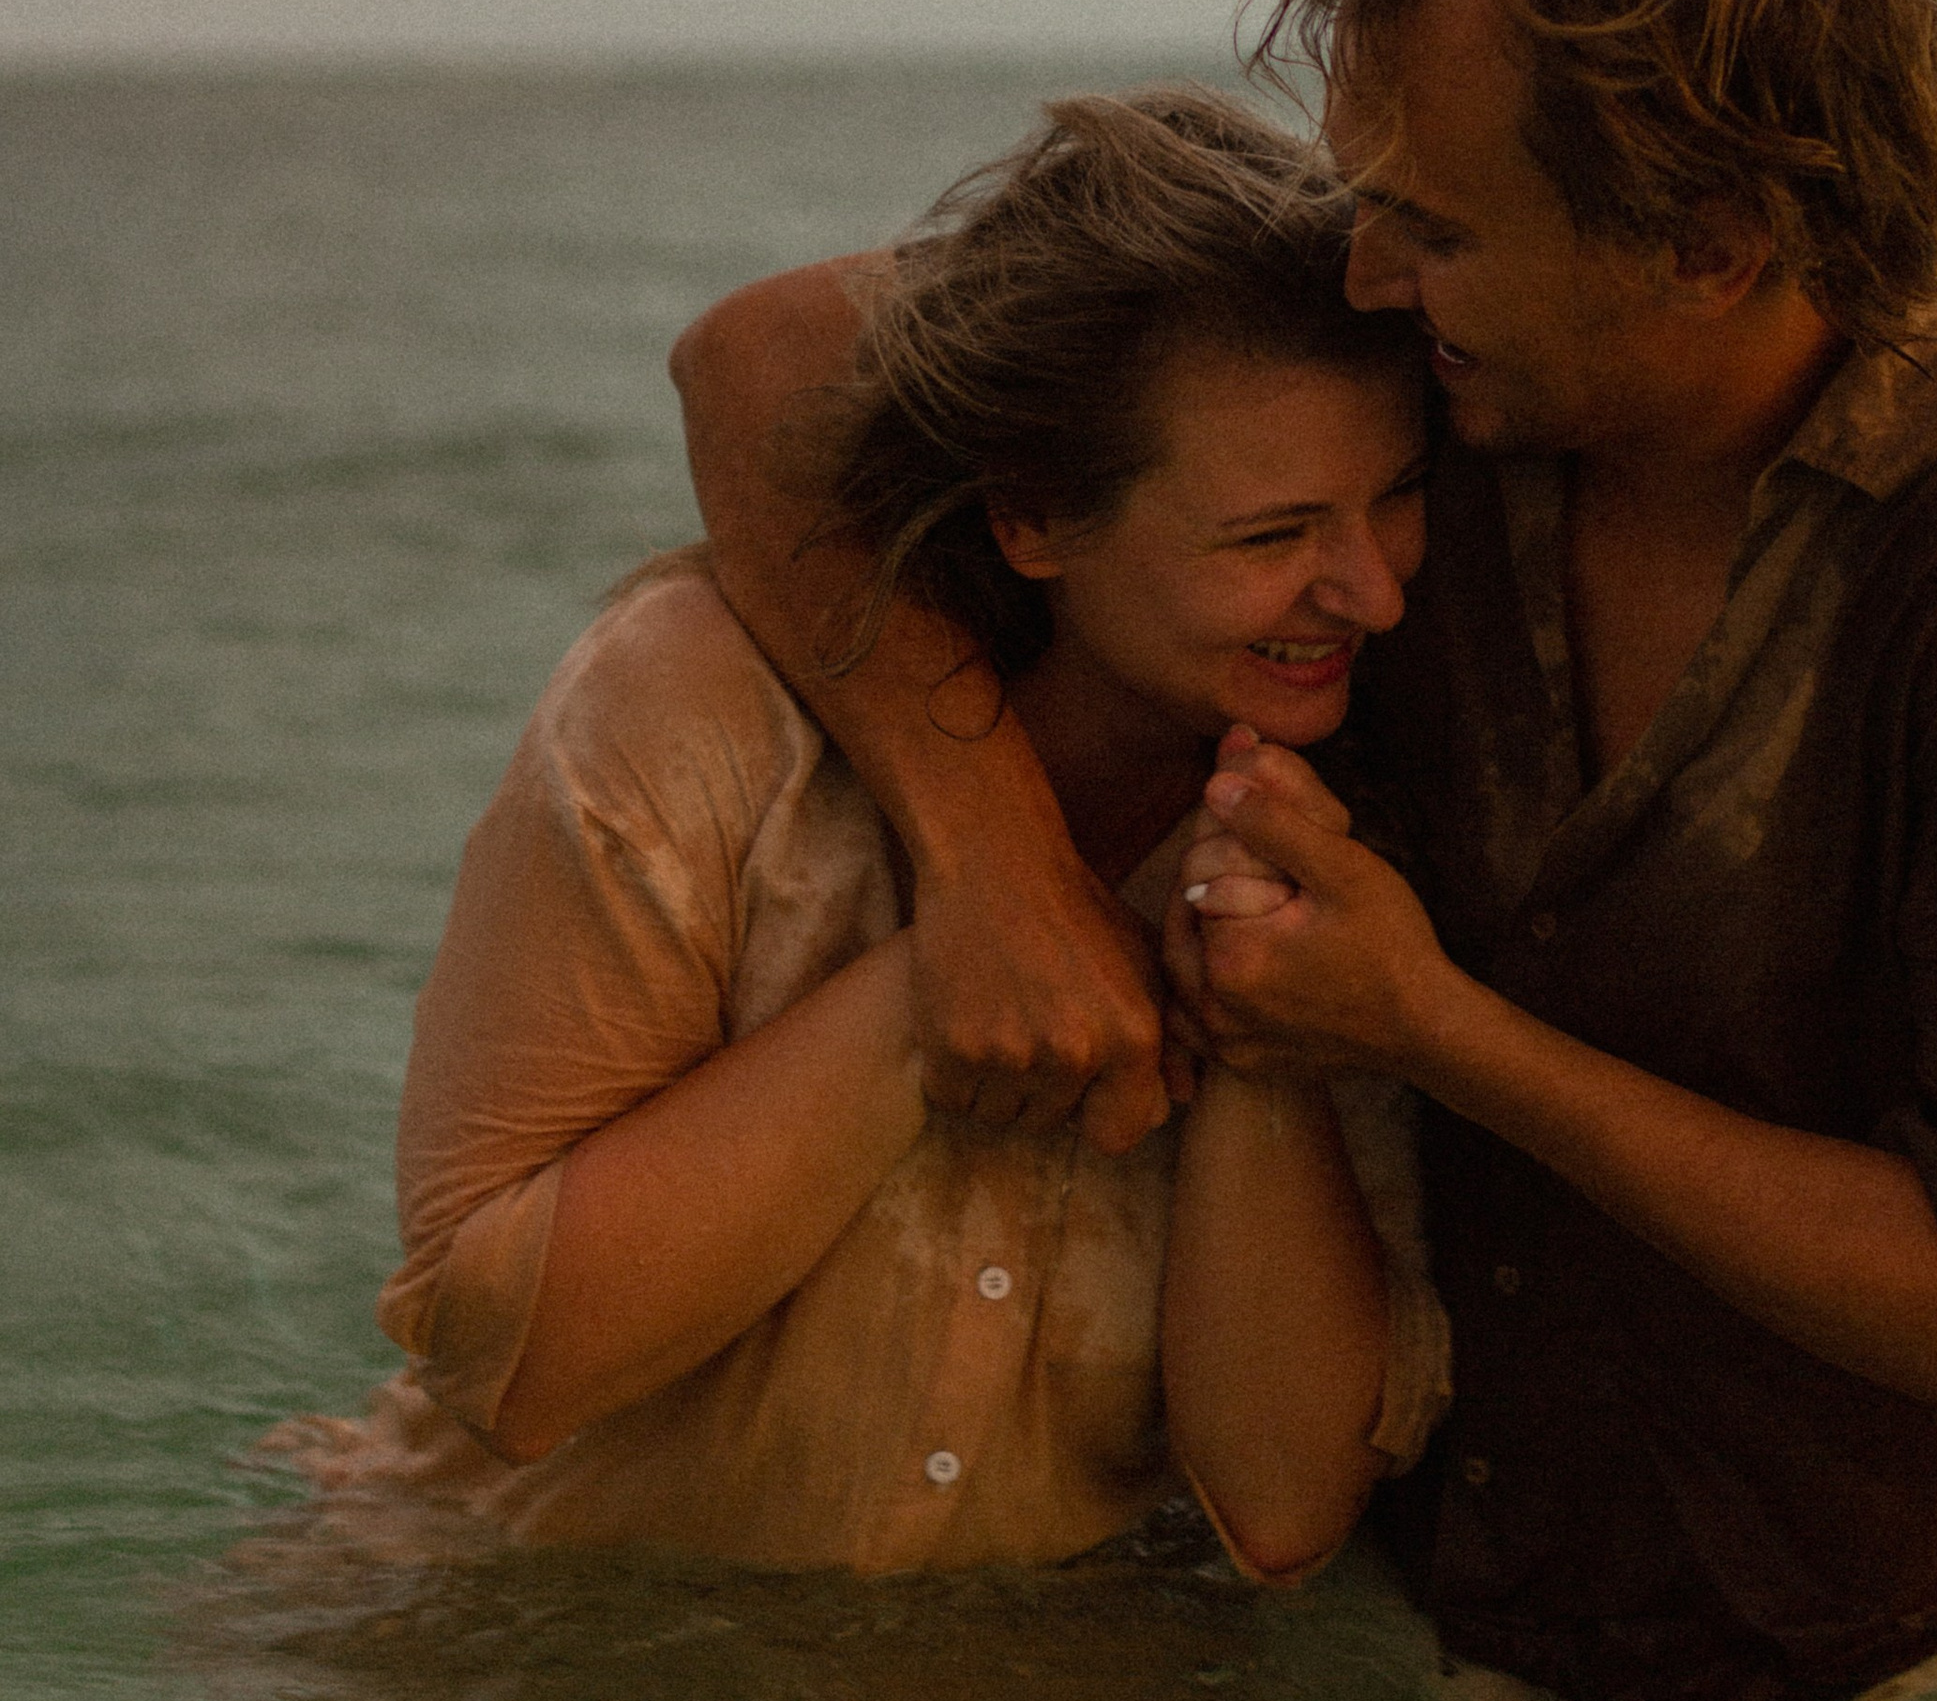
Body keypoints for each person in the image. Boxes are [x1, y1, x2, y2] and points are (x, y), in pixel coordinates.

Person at [674, 0, 1937, 1701]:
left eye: (1434, 225)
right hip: (1353, 1624)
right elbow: (766, 362)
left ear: (1708, 245)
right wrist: (993, 869)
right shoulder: (1435, 348)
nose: (1364, 269)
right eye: (1367, 198)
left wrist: (1433, 1031)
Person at [280, 89, 1447, 1584]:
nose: (1374, 591)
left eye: (1398, 500)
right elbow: (507, 1367)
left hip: (1013, 1691)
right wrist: (950, 966)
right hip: (481, 1623)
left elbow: (1282, 1515)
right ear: (1032, 518)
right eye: (1272, 536)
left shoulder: (1367, 835)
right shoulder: (699, 709)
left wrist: (1259, 1042)